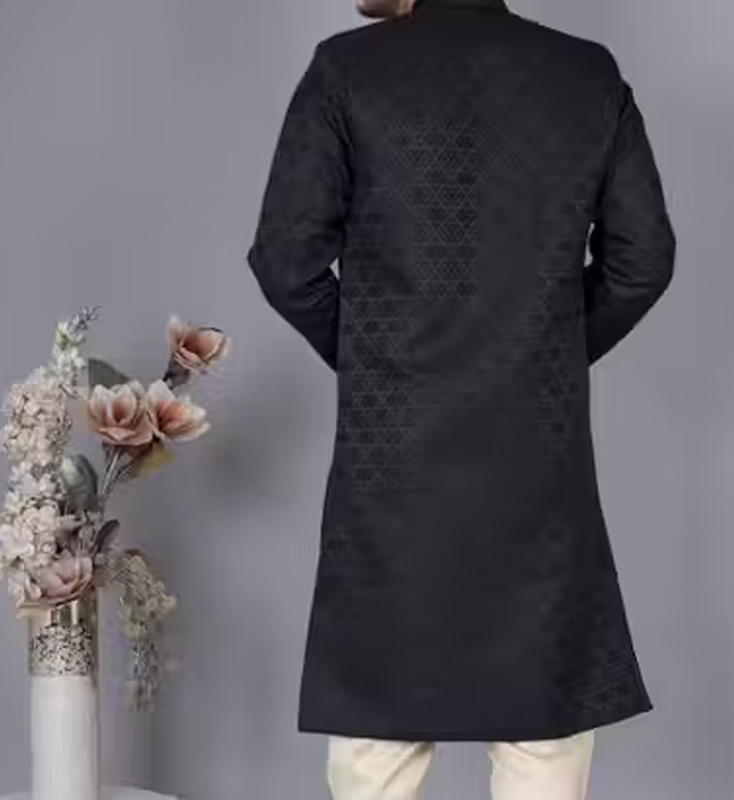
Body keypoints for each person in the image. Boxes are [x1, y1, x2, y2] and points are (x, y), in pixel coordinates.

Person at [246, 0, 676, 797]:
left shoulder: (348, 70)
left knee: (377, 745)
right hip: (534, 468)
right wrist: (541, 357)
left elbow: (284, 259)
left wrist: (378, 363)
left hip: (394, 465)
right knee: (542, 742)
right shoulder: (586, 75)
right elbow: (642, 260)